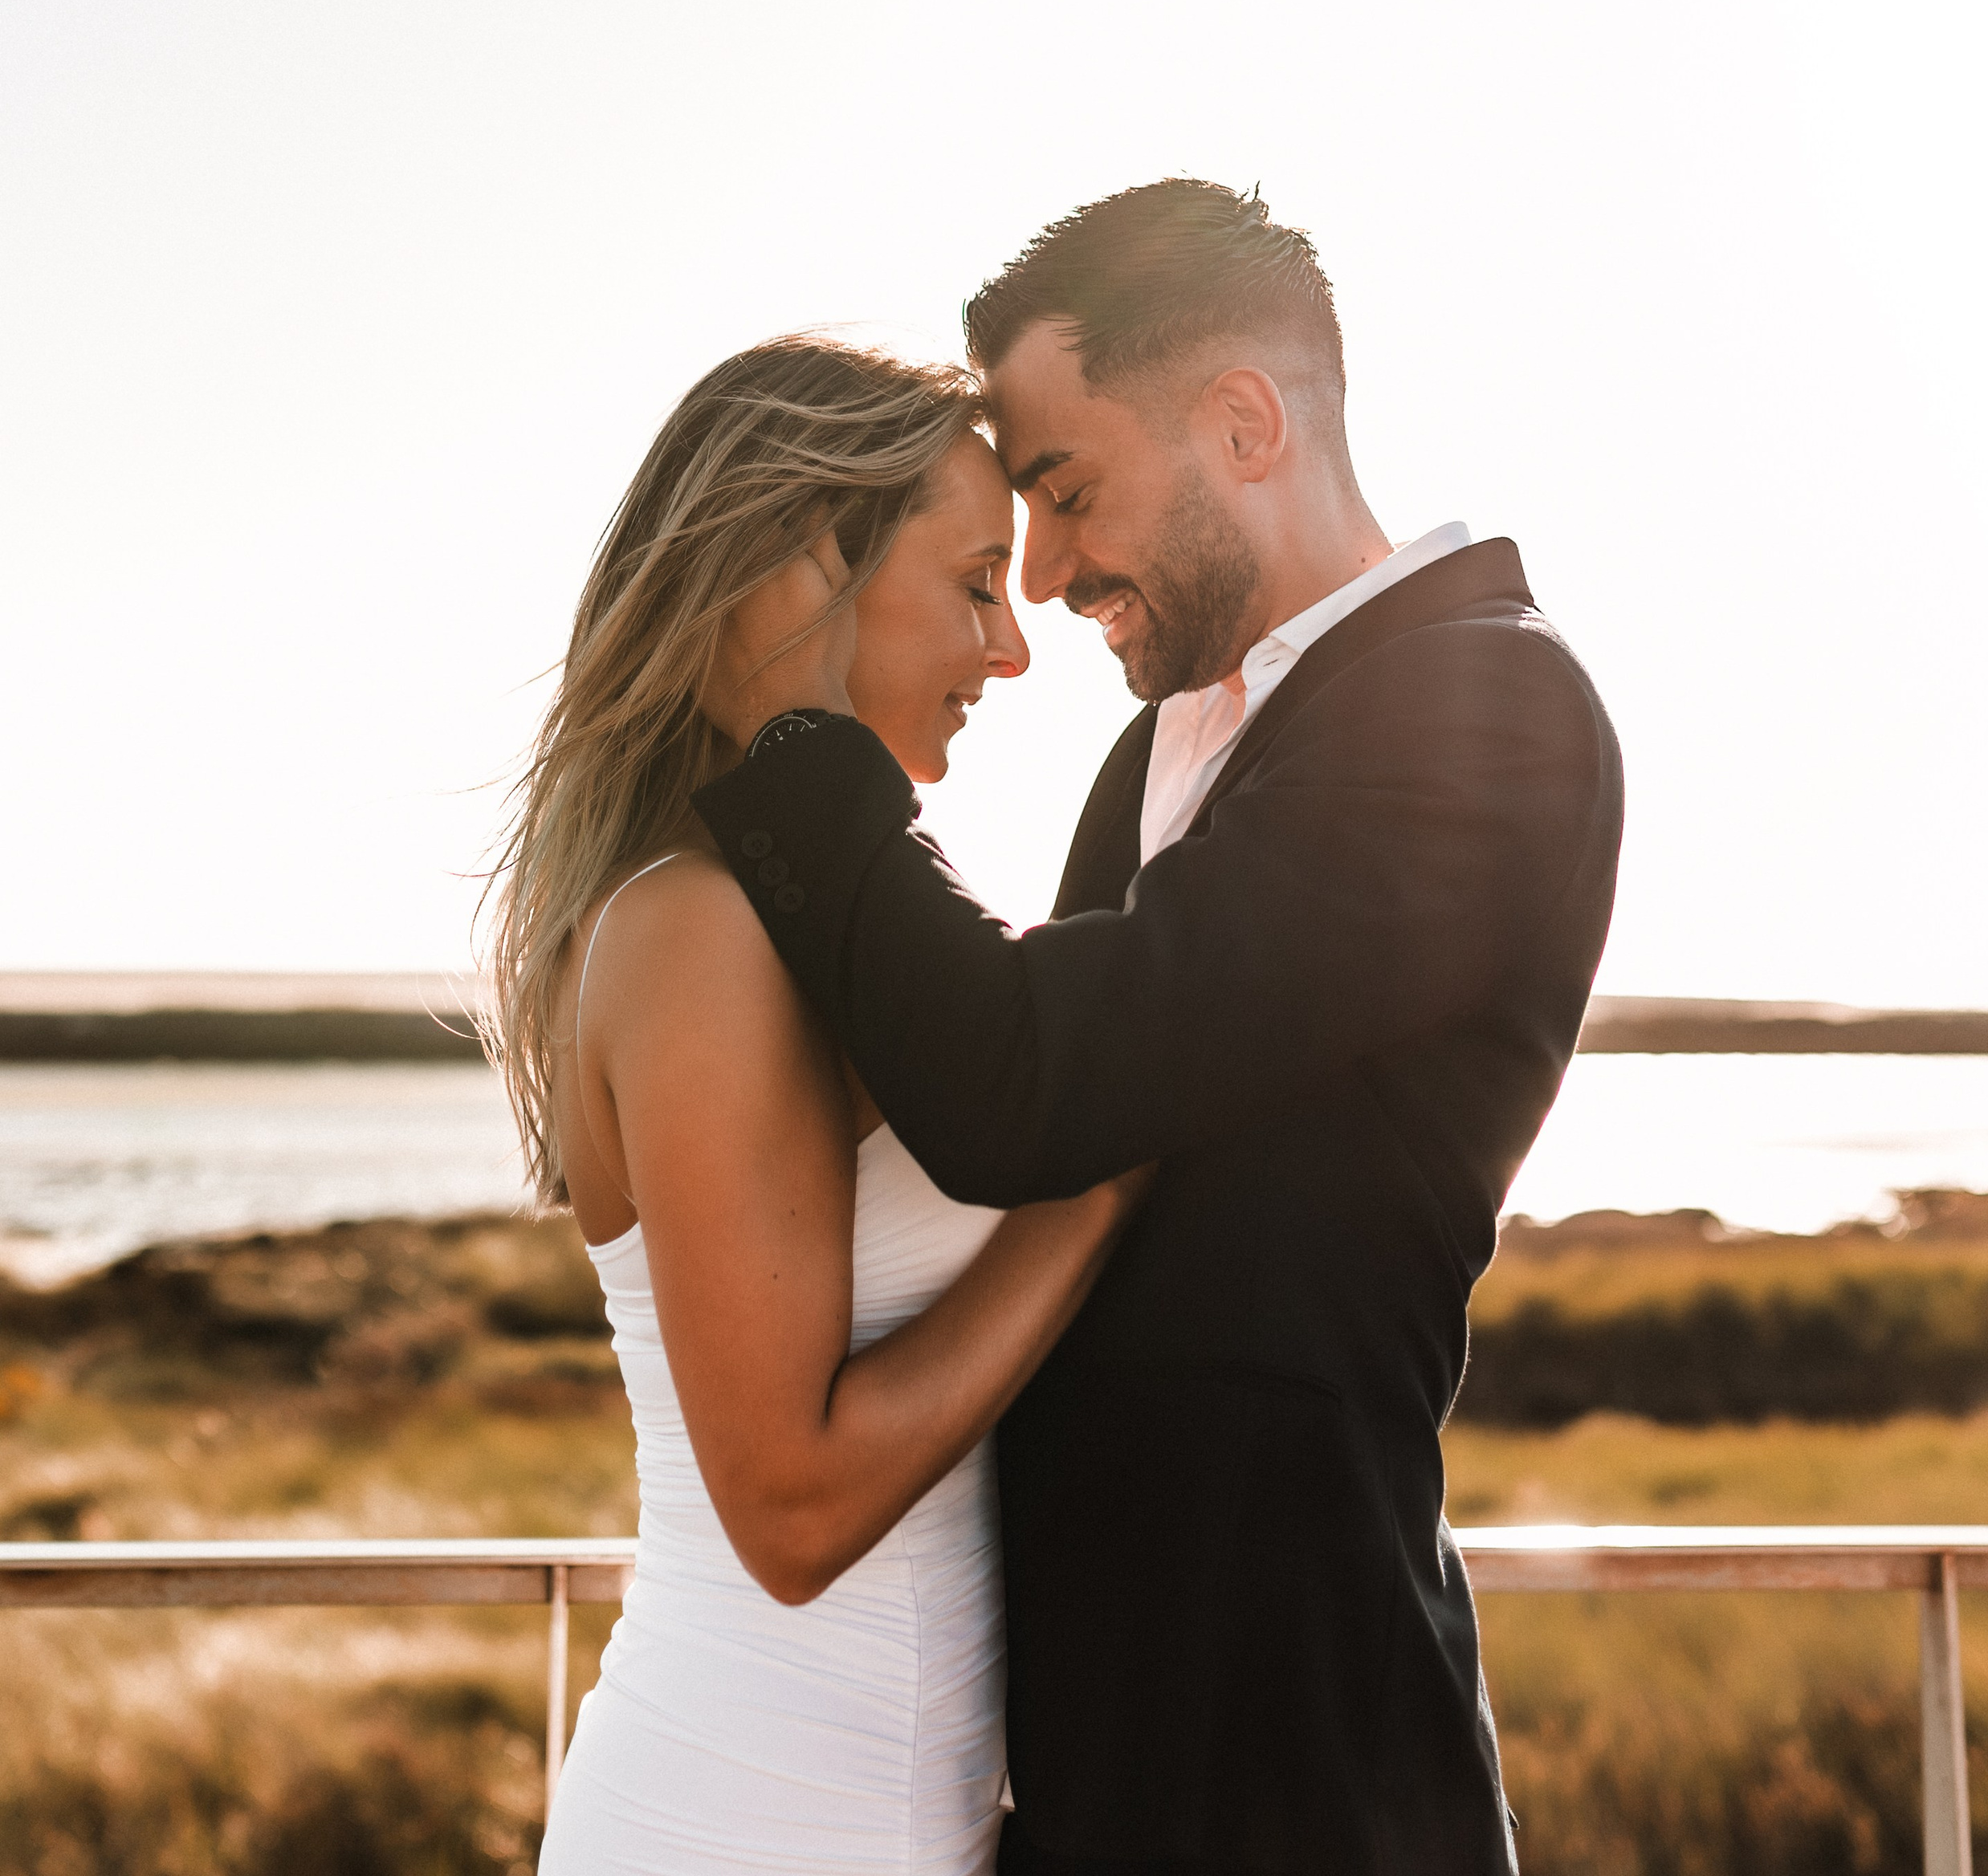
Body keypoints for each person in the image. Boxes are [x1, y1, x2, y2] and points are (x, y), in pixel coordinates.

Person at [693, 181, 1627, 1876]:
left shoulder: (1486, 704)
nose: (1045, 574)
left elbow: (1022, 1083)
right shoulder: (1163, 746)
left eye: (1065, 494)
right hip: (1086, 1783)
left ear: (1244, 425)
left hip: (1310, 1784)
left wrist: (791, 739)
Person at [483, 337, 1147, 1876]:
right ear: (802, 567)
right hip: (750, 1824)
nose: (1012, 648)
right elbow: (790, 1508)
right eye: (974, 582)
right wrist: (1099, 1184)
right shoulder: (697, 929)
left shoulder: (787, 915)